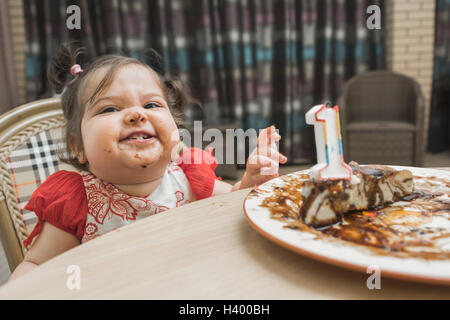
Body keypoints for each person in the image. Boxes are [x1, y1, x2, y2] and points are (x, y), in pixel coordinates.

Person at [9, 45, 287, 280]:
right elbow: (36, 267)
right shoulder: (76, 202)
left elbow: (233, 206)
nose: (135, 115)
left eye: (151, 105)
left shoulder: (190, 177)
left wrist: (253, 181)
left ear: (176, 132)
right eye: (110, 109)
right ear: (78, 148)